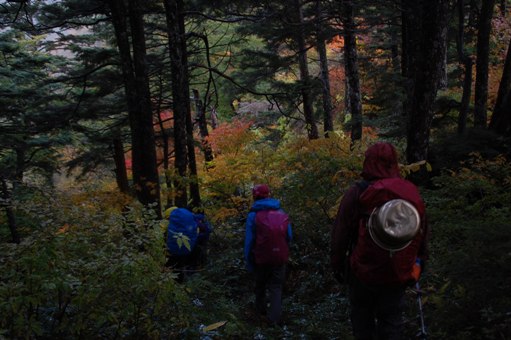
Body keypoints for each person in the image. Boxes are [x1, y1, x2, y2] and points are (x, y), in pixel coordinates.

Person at [330, 142, 429, 340]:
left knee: (362, 321)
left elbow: (340, 233)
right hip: (398, 272)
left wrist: (338, 266)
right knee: (392, 322)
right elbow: (421, 231)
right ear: (394, 163)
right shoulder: (410, 192)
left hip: (362, 272)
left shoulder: (358, 192)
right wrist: (419, 263)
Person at [244, 184, 293, 326]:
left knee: (260, 285)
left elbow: (249, 241)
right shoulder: (281, 212)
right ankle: (274, 320)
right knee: (276, 288)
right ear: (268, 195)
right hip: (279, 258)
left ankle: (261, 313)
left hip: (261, 258)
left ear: (254, 196)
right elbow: (289, 236)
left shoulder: (253, 215)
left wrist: (248, 260)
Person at [164, 207, 212, 281]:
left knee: (176, 270)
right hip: (191, 249)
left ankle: (176, 284)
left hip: (172, 253)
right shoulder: (191, 220)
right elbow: (206, 230)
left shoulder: (167, 225)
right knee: (190, 266)